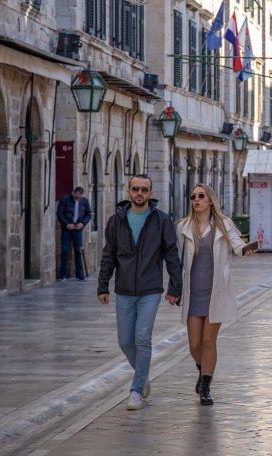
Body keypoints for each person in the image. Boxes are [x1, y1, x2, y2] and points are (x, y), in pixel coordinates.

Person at [97, 175, 182, 411]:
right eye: (135, 189)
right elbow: (108, 255)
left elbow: (172, 256)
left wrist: (176, 288)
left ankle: (135, 391)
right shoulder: (117, 221)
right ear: (128, 191)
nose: (139, 193)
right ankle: (143, 378)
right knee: (125, 341)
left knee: (142, 339)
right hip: (124, 290)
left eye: (144, 189)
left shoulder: (161, 220)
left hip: (150, 290)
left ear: (150, 192)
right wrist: (102, 285)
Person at [176, 184, 247, 405]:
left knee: (208, 341)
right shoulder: (183, 227)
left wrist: (246, 249)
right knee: (194, 344)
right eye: (193, 196)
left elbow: (237, 245)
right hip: (193, 293)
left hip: (216, 292)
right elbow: (176, 260)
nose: (196, 199)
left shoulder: (223, 225)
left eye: (201, 196)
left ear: (210, 200)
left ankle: (206, 385)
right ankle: (201, 368)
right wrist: (174, 289)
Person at [56, 186, 92, 281]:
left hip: (78, 229)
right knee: (65, 251)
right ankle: (63, 275)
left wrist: (82, 223)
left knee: (78, 251)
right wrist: (66, 224)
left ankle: (79, 275)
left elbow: (89, 214)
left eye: (80, 197)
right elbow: (59, 213)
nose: (79, 198)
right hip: (67, 229)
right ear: (74, 193)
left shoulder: (84, 201)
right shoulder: (65, 199)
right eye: (78, 196)